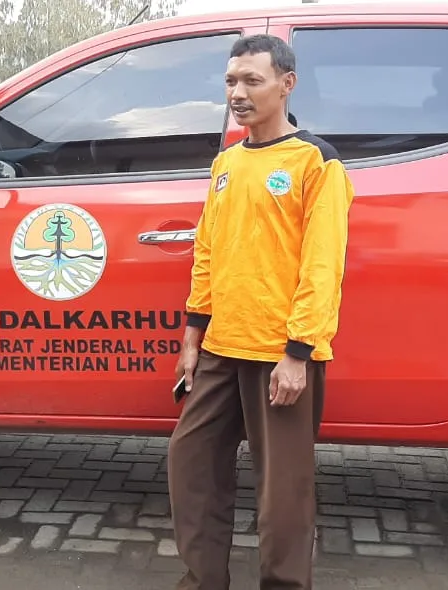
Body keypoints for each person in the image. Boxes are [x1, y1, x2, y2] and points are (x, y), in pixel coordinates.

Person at [166, 34, 354, 590]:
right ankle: (204, 581)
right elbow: (208, 252)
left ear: (286, 84)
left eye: (252, 80)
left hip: (281, 356)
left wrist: (298, 353)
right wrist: (192, 334)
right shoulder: (226, 162)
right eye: (231, 82)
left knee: (282, 495)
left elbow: (323, 268)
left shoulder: (316, 163)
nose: (238, 93)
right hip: (223, 346)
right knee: (190, 460)